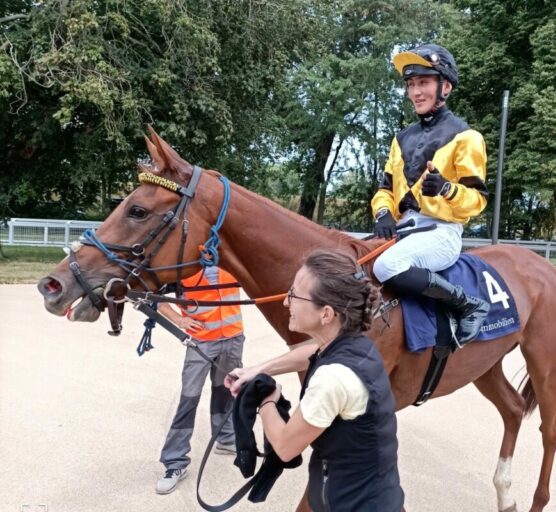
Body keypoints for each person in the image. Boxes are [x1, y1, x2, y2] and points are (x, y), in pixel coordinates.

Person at [226, 250, 404, 511]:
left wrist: (267, 402)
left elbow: (286, 447)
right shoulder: (356, 345)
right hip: (370, 493)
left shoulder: (333, 379)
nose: (286, 303)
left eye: (295, 295)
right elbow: (312, 352)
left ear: (326, 314)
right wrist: (258, 370)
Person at [370, 43, 490, 345]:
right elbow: (385, 189)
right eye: (411, 84)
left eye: (423, 82)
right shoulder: (401, 139)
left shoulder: (467, 137)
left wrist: (446, 189)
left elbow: (477, 200)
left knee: (385, 266)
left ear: (445, 86)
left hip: (441, 233)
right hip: (402, 232)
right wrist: (383, 212)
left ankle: (467, 304)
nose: (415, 92)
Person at [155, 266, 245, 495]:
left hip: (233, 338)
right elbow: (153, 296)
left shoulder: (231, 262)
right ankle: (174, 463)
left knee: (226, 392)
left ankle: (225, 439)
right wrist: (178, 320)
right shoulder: (183, 267)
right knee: (189, 400)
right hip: (201, 342)